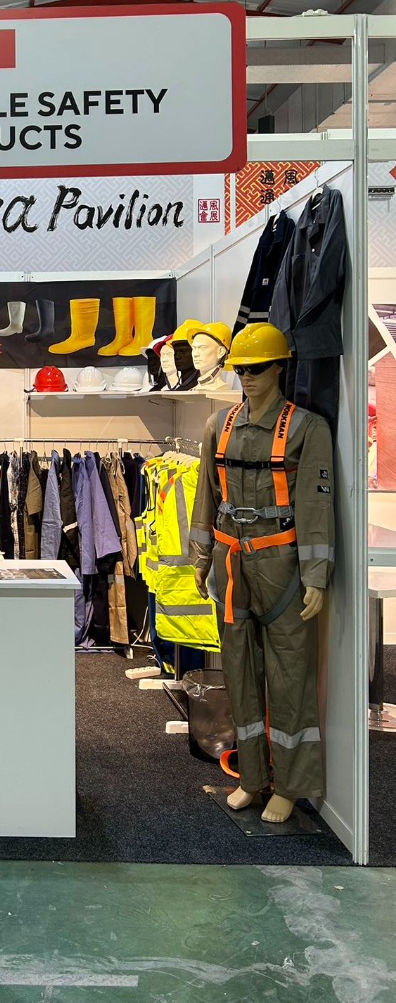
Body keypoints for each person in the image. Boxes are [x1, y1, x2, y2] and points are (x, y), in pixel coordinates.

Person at [189, 323, 334, 824]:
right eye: (241, 369)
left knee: (289, 679)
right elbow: (206, 496)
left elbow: (316, 507)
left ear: (279, 368)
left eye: (257, 368)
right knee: (239, 675)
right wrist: (200, 556)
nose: (247, 377)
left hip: (282, 568)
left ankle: (290, 786)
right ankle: (252, 778)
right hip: (231, 565)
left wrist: (316, 574)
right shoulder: (219, 425)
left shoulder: (307, 429)